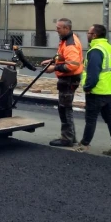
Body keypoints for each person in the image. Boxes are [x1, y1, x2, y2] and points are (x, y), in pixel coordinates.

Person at [74, 24, 111, 157]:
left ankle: (84, 144)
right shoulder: (110, 48)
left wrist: (87, 87)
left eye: (88, 33)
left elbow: (93, 73)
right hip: (108, 90)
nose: (87, 35)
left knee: (91, 119)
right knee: (110, 118)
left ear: (94, 35)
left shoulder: (95, 51)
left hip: (96, 91)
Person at [42, 18, 84, 147]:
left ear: (66, 28)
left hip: (69, 79)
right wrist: (53, 60)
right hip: (70, 79)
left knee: (65, 109)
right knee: (64, 107)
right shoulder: (66, 40)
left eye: (59, 28)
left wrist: (54, 68)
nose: (56, 30)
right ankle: (71, 136)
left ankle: (67, 139)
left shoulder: (70, 44)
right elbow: (62, 56)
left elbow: (71, 65)